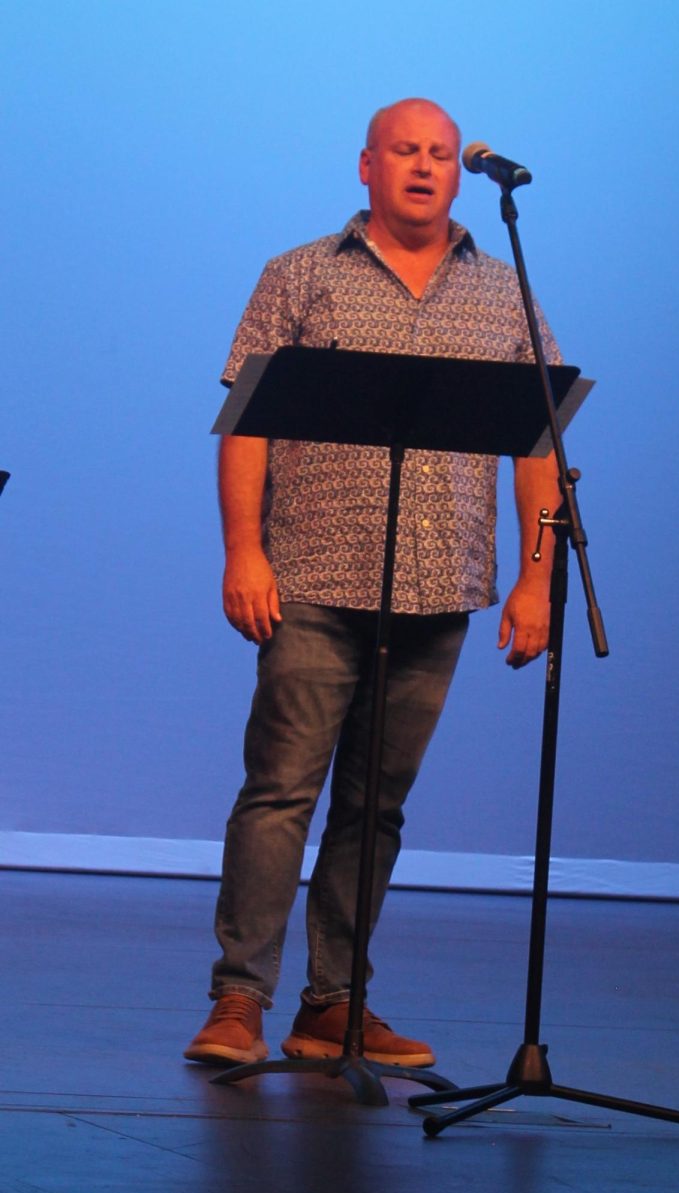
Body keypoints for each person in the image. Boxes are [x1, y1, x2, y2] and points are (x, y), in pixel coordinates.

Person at [184, 98, 562, 1068]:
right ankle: (238, 1002)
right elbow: (247, 423)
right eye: (406, 151)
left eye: (440, 153)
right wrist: (244, 552)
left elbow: (538, 440)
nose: (426, 166)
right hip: (310, 571)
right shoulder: (301, 275)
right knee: (279, 794)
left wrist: (534, 581)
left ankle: (333, 1005)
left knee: (375, 808)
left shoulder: (500, 290)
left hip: (440, 587)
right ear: (366, 167)